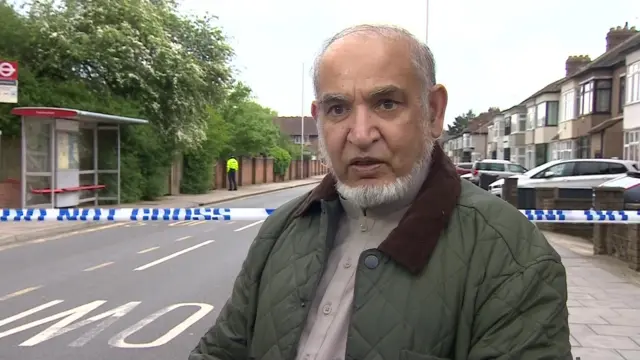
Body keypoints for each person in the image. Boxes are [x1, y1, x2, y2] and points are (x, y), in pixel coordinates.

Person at [190, 24, 571, 360]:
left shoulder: (510, 255)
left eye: (386, 104)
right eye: (337, 108)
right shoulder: (281, 231)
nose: (360, 134)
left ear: (433, 111)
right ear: (319, 118)